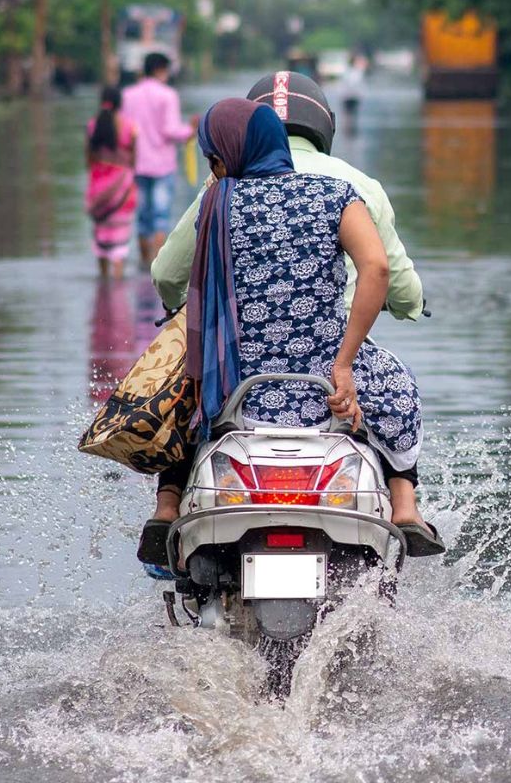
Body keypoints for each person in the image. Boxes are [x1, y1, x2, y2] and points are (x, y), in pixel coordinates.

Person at [135, 98, 443, 564]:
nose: (214, 169)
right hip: (327, 381)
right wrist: (343, 364)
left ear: (230, 156)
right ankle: (405, 507)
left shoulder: (217, 203)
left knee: (183, 392)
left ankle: (167, 504)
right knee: (398, 385)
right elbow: (378, 269)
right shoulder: (336, 194)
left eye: (213, 159)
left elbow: (171, 275)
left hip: (236, 384)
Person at [151, 70, 424, 323]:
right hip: (337, 353)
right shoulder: (354, 187)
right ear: (327, 124)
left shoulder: (223, 189)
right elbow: (397, 284)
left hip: (242, 360)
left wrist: (181, 304)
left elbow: (167, 275)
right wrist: (409, 306)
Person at [121, 52, 197, 266]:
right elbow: (170, 130)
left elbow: (126, 131)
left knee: (142, 219)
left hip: (137, 165)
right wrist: (190, 130)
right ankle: (156, 267)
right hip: (162, 165)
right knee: (161, 219)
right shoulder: (167, 95)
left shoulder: (128, 95)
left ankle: (143, 262)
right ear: (160, 69)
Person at [85, 86, 138, 279]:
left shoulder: (92, 126)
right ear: (120, 103)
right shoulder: (130, 127)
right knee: (120, 244)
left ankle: (104, 285)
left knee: (101, 238)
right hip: (123, 191)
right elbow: (134, 161)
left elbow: (88, 159)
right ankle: (116, 288)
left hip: (98, 189)